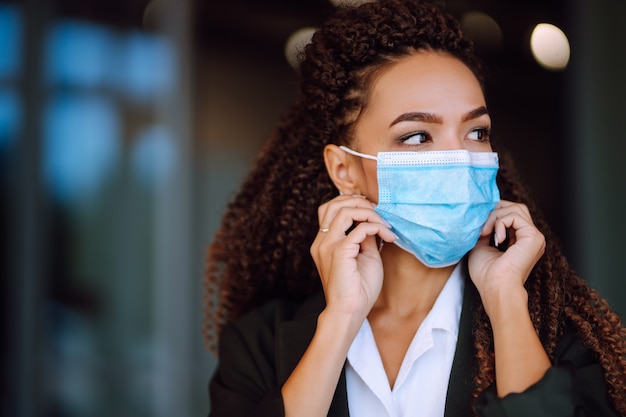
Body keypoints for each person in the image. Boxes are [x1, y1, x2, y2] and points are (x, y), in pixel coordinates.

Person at [203, 0, 626, 416]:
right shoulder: (260, 342)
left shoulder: (557, 338)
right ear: (345, 169)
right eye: (418, 136)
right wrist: (341, 321)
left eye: (477, 131)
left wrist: (506, 301)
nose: (460, 156)